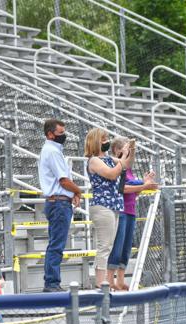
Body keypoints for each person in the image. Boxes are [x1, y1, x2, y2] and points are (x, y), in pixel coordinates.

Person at [107, 137, 158, 291]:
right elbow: (122, 189)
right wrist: (143, 185)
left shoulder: (128, 169)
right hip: (120, 211)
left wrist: (145, 184)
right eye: (126, 150)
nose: (129, 153)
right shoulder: (116, 165)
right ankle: (110, 280)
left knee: (126, 247)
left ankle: (120, 280)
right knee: (117, 246)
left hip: (130, 210)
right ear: (117, 151)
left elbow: (134, 192)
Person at [38, 118, 83, 292]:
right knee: (57, 245)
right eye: (60, 133)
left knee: (55, 244)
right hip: (58, 203)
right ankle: (52, 283)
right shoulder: (52, 151)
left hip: (56, 202)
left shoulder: (50, 150)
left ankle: (52, 282)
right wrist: (78, 191)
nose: (64, 136)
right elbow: (63, 180)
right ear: (50, 134)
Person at [85, 127, 126, 287]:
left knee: (108, 245)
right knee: (104, 245)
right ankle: (100, 281)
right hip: (102, 205)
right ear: (96, 142)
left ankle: (102, 281)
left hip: (113, 205)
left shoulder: (109, 159)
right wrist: (122, 160)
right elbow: (112, 174)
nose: (106, 142)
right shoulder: (94, 160)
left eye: (107, 138)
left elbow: (126, 165)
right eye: (103, 139)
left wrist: (129, 152)